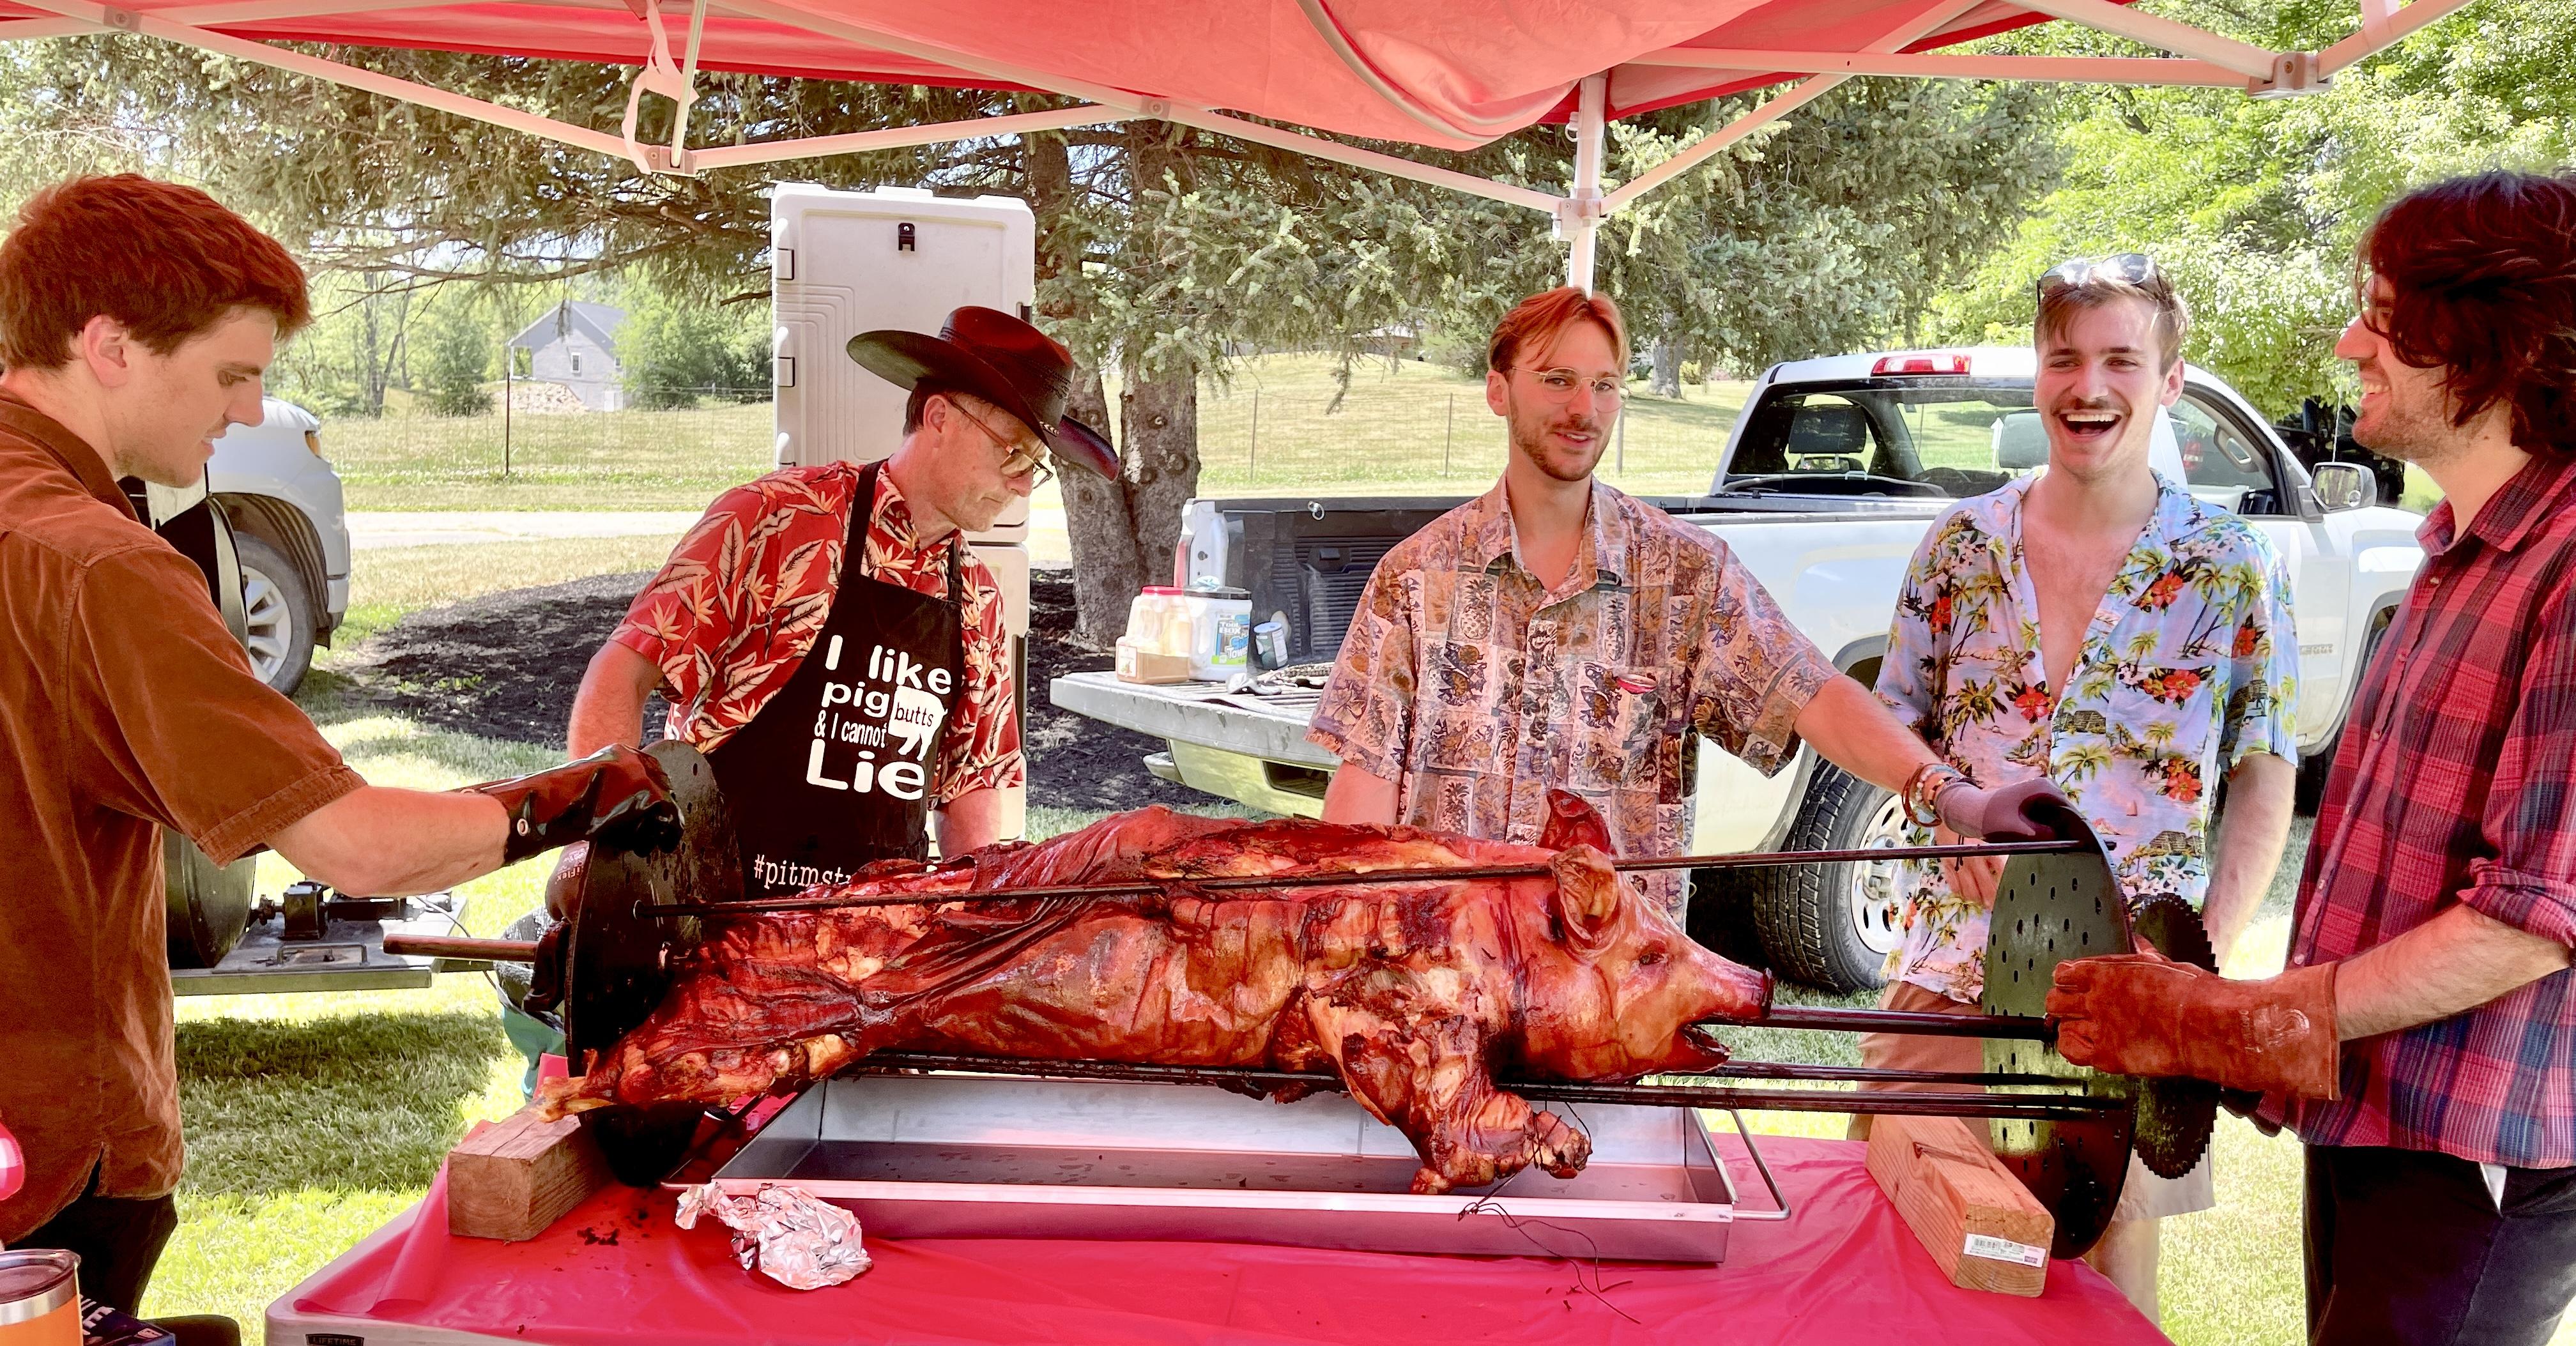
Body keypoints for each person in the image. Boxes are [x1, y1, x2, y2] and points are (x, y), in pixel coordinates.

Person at [0, 176, 677, 1313]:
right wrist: (597, 791)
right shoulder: (96, 567)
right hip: (44, 1173)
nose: (250, 411)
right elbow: (357, 847)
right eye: (231, 373)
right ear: (108, 345)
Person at [2048, 170, 2576, 1346]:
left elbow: (2533, 918)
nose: (2350, 345)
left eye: (2385, 319)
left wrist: (2226, 1021)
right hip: (2374, 1122)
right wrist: (2251, 1027)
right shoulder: (2459, 546)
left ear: (2495, 342)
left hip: (2475, 1153)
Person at [1853, 254, 2300, 1319]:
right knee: (1901, 1271)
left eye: (2119, 360)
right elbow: (1888, 723)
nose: (2087, 386)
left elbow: (2264, 768)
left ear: (2170, 380)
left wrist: (2198, 957)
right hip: (1947, 972)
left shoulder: (2229, 562)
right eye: (2063, 358)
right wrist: (1943, 817)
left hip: (2129, 995)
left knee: (2102, 1295)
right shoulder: (1959, 545)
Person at [1309, 286, 2069, 906]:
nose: (1584, 410)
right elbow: (1363, 794)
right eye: (1558, 380)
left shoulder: (1684, 575)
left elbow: (1811, 693)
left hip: (1613, 999)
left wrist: (1946, 793)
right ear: (1498, 391)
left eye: (1605, 385)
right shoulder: (1417, 579)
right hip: (1452, 983)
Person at [563, 306, 1116, 899]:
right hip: (711, 912)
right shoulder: (776, 521)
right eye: (1013, 452)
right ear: (939, 417)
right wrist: (602, 852)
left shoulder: (979, 598)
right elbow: (621, 674)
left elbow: (971, 782)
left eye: (1034, 466)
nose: (1021, 483)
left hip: (869, 939)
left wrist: (972, 919)